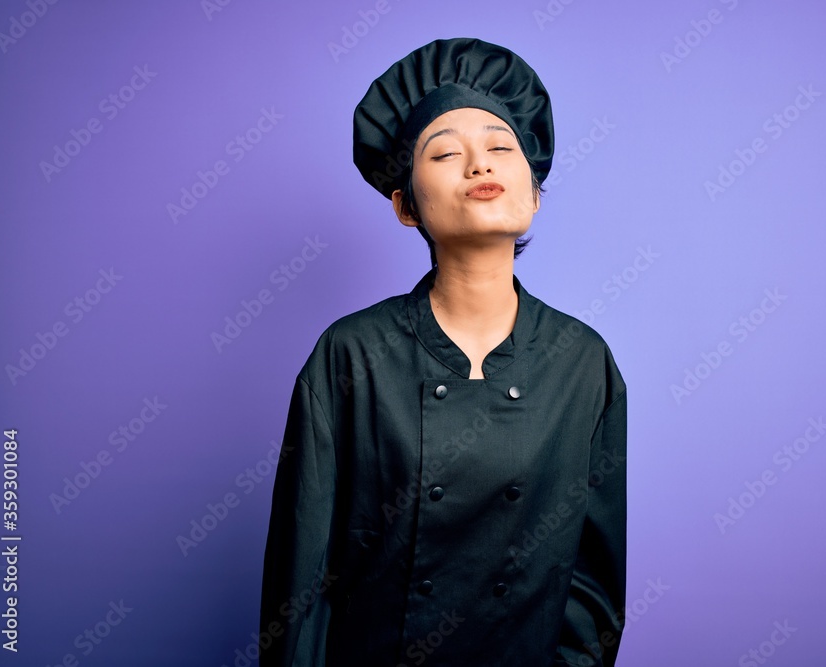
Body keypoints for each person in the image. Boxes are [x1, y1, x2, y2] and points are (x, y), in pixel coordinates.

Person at [259, 37, 627, 666]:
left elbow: (593, 585)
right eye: (447, 152)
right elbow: (302, 577)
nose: (480, 165)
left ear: (534, 192)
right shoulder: (350, 355)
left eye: (501, 147)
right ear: (405, 205)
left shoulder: (582, 360)